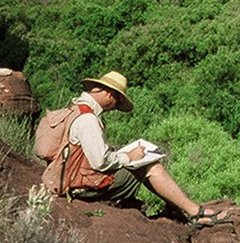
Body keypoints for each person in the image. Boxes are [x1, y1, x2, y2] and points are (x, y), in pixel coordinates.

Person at [38, 71, 229, 228]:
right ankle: (195, 213)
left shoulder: (74, 109)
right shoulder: (88, 119)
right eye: (118, 101)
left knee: (131, 158)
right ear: (109, 95)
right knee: (150, 167)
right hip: (81, 187)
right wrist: (128, 156)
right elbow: (100, 162)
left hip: (67, 178)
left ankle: (177, 206)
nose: (115, 107)